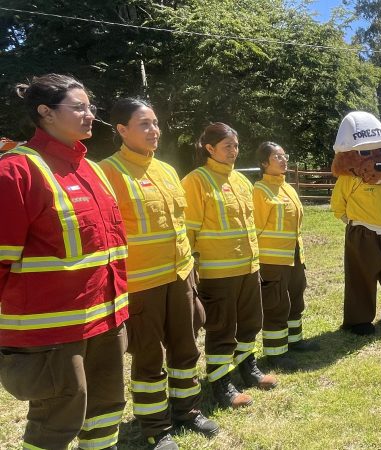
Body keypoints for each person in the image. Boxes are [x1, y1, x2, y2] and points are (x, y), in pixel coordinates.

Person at [0, 74, 128, 450]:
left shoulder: (93, 170)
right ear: (46, 112)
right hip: (51, 330)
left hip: (107, 320)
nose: (91, 115)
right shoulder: (16, 171)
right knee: (57, 420)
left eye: (91, 107)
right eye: (80, 107)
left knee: (106, 409)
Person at [99, 98, 218, 449]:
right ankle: (155, 426)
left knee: (186, 348)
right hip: (141, 284)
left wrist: (189, 271)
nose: (154, 130)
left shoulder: (167, 170)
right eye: (144, 124)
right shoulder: (108, 173)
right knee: (149, 357)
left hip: (180, 277)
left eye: (155, 123)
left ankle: (188, 410)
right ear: (122, 130)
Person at [182, 122, 277, 409]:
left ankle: (248, 366)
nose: (233, 151)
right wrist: (193, 271)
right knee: (222, 329)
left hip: (249, 268)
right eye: (227, 146)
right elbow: (188, 232)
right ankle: (221, 382)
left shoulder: (241, 182)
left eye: (235, 146)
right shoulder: (196, 181)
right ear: (209, 148)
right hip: (217, 272)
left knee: (250, 322)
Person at [331, 111, 381, 336]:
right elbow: (338, 205)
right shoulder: (348, 179)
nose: (377, 158)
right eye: (365, 152)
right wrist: (354, 222)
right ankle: (358, 321)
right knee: (361, 278)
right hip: (363, 233)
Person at [254, 141, 319, 370]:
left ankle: (295, 340)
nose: (283, 160)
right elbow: (255, 228)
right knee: (276, 304)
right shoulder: (260, 191)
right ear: (264, 163)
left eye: (284, 155)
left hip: (295, 255)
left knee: (296, 296)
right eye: (277, 157)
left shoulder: (288, 188)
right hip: (272, 260)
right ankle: (276, 353)